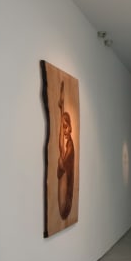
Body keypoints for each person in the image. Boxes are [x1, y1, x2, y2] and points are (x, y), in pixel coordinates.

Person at [57, 80, 75, 219]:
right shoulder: (65, 144)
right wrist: (61, 109)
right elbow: (59, 144)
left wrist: (61, 163)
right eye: (63, 127)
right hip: (62, 181)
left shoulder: (70, 146)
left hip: (66, 183)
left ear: (70, 127)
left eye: (66, 127)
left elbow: (64, 164)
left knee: (63, 206)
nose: (64, 131)